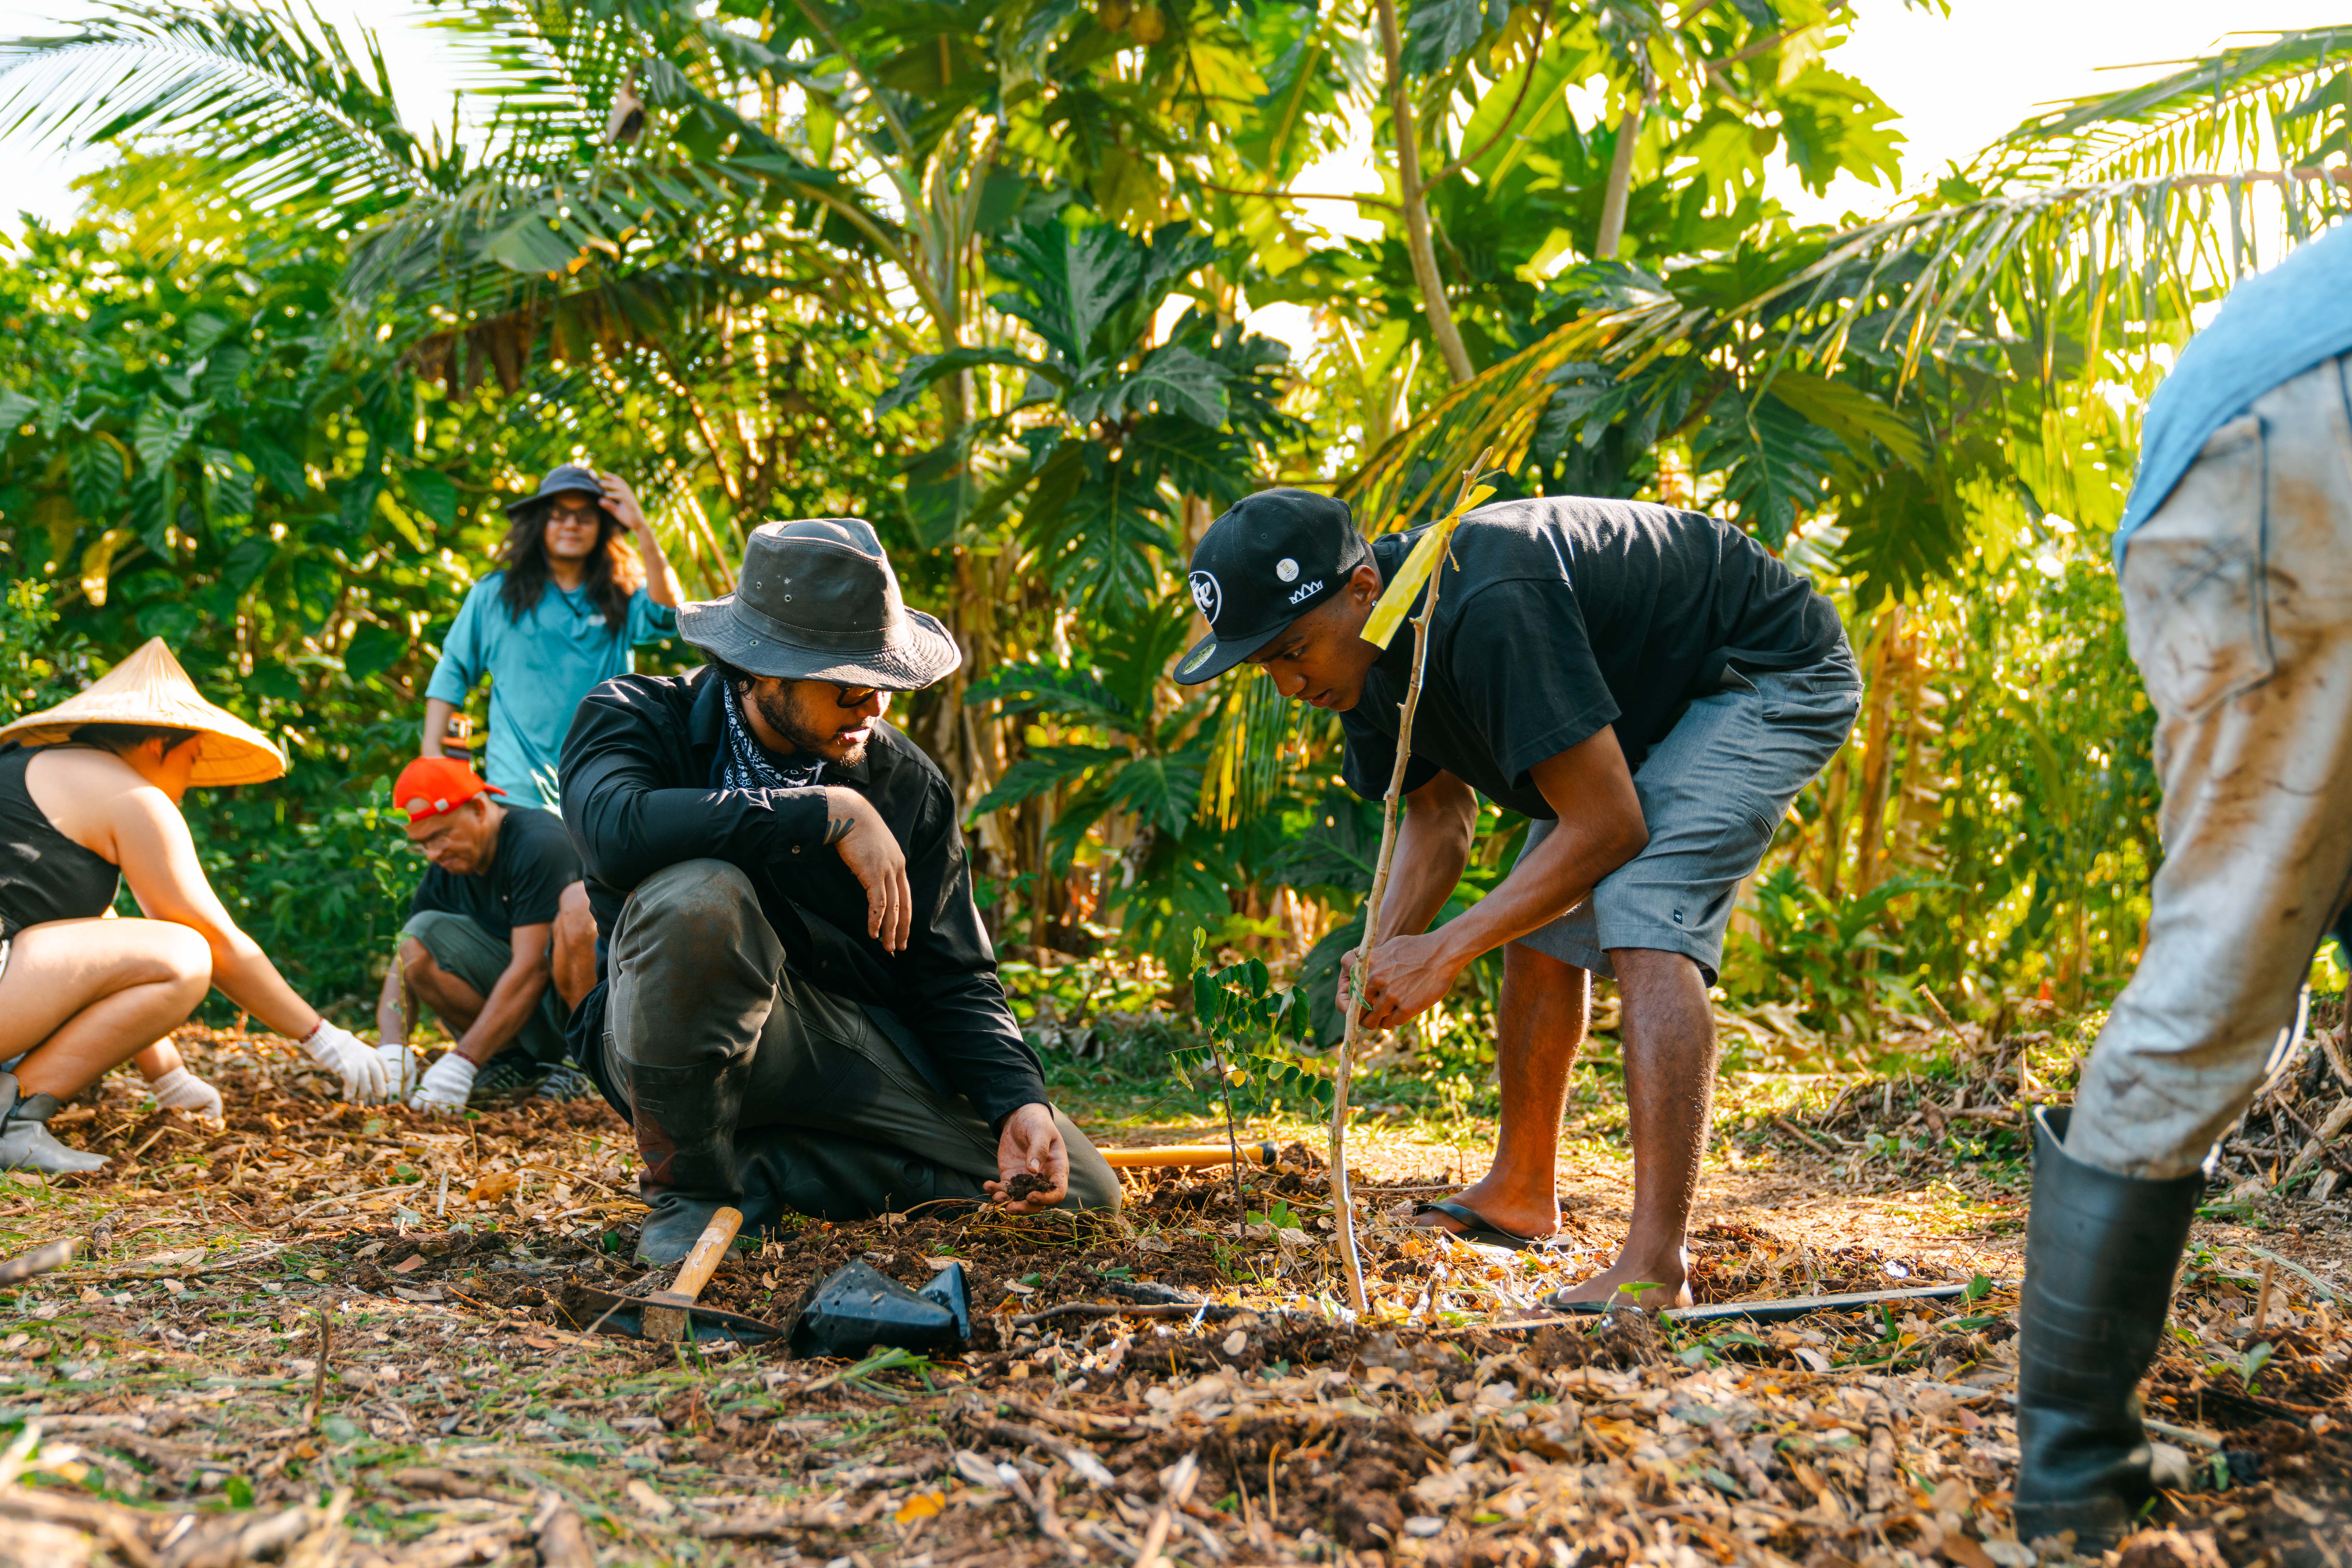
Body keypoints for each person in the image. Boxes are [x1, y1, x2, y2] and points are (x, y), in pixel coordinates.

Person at [1174, 489, 1858, 1306]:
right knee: (1537, 925)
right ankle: (1523, 1191)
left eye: (1293, 651)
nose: (1289, 686)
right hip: (1640, 711)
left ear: (1364, 588)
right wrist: (1388, 952)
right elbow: (1440, 819)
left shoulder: (1490, 603)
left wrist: (1446, 948)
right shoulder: (1361, 655)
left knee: (1642, 909)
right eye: (1267, 666)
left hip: (1757, 674)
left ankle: (1654, 1267)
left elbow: (1608, 828)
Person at [2005, 222, 2352, 1548]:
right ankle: (2073, 1469)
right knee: (2223, 958)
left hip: (2218, 472)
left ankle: (2074, 1462)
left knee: (2224, 941)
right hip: (2302, 431)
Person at [560, 518, 1120, 1263]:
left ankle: (768, 1169)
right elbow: (613, 828)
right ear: (758, 671)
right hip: (663, 1041)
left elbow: (953, 973)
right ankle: (692, 1188)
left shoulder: (903, 782)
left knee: (1078, 1193)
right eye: (849, 686)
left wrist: (1019, 1099)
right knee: (700, 897)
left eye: (885, 684)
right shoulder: (636, 718)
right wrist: (822, 814)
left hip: (829, 1044)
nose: (874, 708)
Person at [0, 640, 393, 1171]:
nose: (189, 781)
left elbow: (99, 958)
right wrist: (323, 1038)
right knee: (186, 952)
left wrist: (169, 1078)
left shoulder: (37, 772)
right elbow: (212, 941)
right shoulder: (130, 796)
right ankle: (12, 1117)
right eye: (192, 759)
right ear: (160, 743)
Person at [422, 465, 685, 809]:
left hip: (601, 789)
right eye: (559, 514)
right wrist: (431, 754)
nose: (571, 524)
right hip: (516, 795)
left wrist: (639, 525)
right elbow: (454, 668)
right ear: (539, 523)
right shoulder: (495, 595)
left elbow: (670, 612)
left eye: (585, 516)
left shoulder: (618, 597)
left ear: (603, 527)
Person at [372, 756, 597, 1110]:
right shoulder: (449, 864)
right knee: (416, 940)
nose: (433, 854)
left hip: (578, 1005)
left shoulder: (537, 842)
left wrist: (464, 1059)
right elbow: (402, 959)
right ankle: (511, 1061)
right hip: (526, 1018)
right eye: (422, 844)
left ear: (478, 808)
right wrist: (391, 1047)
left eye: (439, 836)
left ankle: (590, 1061)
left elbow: (532, 968)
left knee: (578, 904)